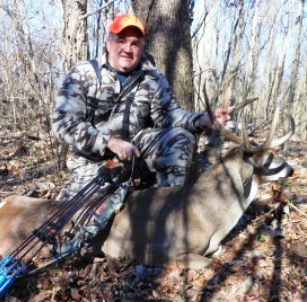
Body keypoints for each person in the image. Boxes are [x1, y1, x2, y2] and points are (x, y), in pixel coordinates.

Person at [53, 13, 230, 201]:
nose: (127, 49)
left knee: (180, 138)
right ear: (108, 43)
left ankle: (162, 209)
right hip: (92, 164)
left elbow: (171, 116)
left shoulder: (152, 78)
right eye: (121, 41)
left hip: (134, 156)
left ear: (141, 47)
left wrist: (202, 119)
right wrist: (108, 143)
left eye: (135, 43)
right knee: (70, 223)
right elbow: (63, 123)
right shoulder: (83, 74)